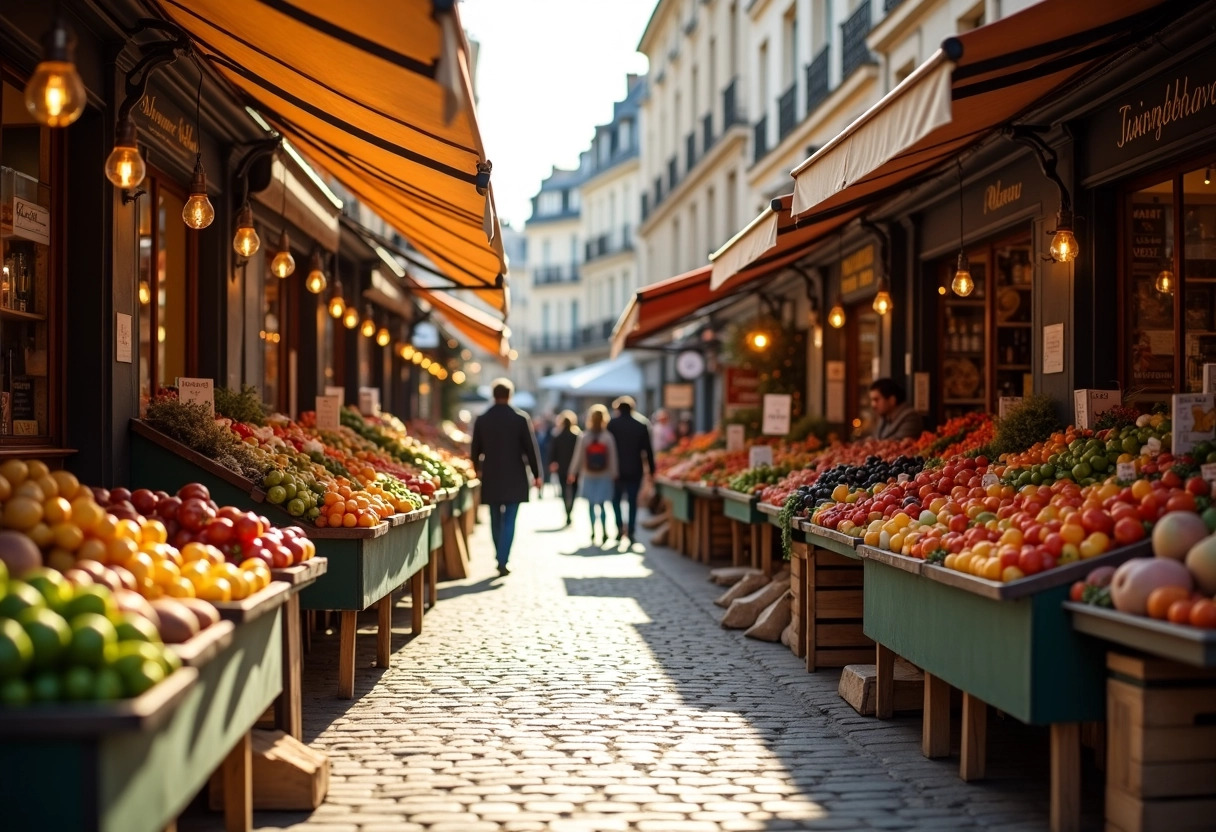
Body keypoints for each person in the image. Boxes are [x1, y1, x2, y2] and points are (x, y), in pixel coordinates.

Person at [469, 379, 543, 576]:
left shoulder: (482, 419)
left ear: (493, 395)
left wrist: (476, 469)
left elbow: (475, 449)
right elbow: (531, 449)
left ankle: (499, 556)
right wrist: (537, 475)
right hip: (515, 475)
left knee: (495, 517)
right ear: (510, 395)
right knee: (510, 519)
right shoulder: (520, 418)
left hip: (492, 474)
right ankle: (503, 558)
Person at [608, 395, 656, 543]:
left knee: (615, 499)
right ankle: (632, 530)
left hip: (615, 470)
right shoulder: (641, 425)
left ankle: (619, 527)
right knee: (632, 501)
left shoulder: (612, 425)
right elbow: (648, 450)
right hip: (635, 468)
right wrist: (652, 469)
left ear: (618, 409)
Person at [568, 404, 618, 545]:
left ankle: (593, 531)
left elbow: (578, 456)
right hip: (604, 474)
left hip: (588, 474)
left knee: (590, 505)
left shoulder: (585, 436)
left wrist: (573, 472)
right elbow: (613, 457)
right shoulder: (608, 437)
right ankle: (603, 531)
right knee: (602, 505)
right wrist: (614, 473)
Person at [548, 410, 581, 527]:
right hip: (575, 469)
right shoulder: (577, 436)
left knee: (564, 490)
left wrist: (552, 463)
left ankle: (567, 511)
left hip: (562, 468)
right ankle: (570, 508)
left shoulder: (557, 436)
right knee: (574, 490)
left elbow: (552, 452)